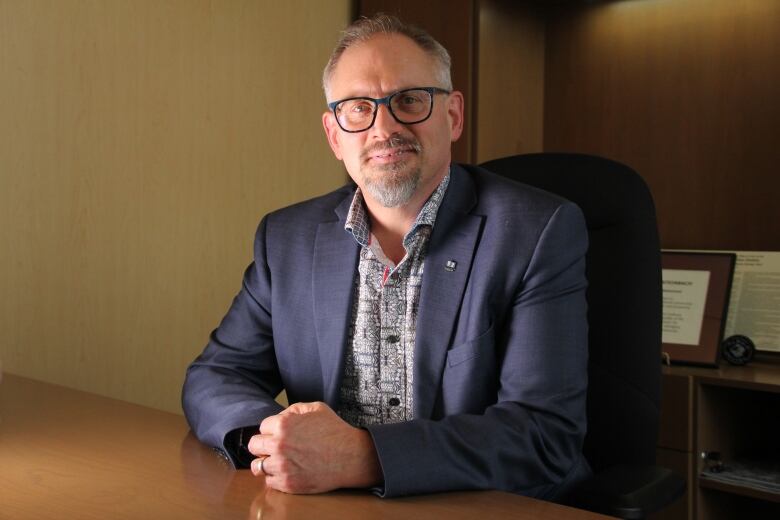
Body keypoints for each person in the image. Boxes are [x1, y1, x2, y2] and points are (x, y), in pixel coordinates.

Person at [182, 14, 590, 500]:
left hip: (481, 507)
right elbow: (216, 376)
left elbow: (543, 434)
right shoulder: (287, 238)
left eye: (409, 100)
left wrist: (363, 456)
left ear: (453, 115)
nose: (385, 127)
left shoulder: (536, 232)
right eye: (358, 108)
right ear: (335, 135)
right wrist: (276, 441)